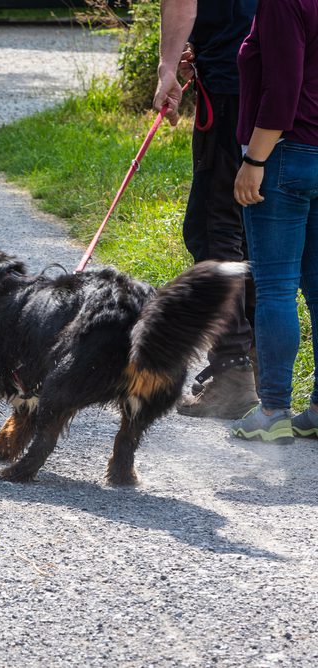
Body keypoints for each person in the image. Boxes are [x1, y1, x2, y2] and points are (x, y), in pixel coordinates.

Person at [153, 0, 259, 419]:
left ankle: (233, 373)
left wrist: (166, 70)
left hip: (233, 84)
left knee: (215, 230)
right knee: (254, 224)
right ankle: (254, 357)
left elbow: (183, 2)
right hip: (280, 82)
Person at [229, 0, 318, 444]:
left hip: (284, 156)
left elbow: (283, 88)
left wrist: (254, 159)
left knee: (277, 286)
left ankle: (273, 410)